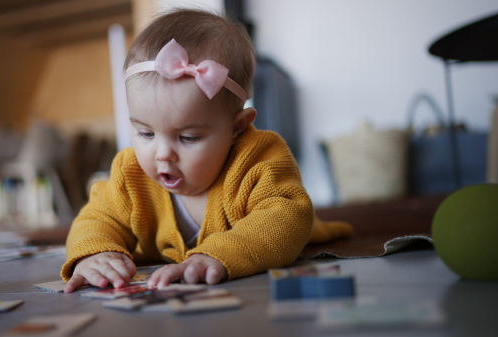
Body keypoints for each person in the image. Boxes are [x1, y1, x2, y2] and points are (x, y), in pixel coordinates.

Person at [61, 9, 352, 293]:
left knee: (304, 227)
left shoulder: (259, 157)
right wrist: (93, 253)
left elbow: (285, 217)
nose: (162, 153)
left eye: (188, 137)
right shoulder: (131, 173)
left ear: (237, 128)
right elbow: (96, 218)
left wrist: (217, 255)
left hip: (288, 235)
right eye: (146, 133)